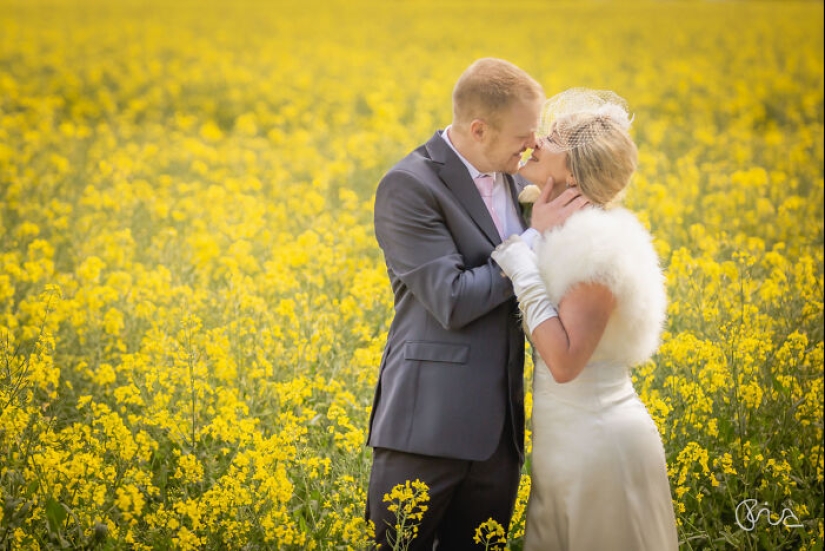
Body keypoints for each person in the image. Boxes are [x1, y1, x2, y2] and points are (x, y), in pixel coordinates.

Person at [366, 59, 586, 550]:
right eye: (523, 136)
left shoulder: (513, 176)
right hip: (426, 430)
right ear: (479, 128)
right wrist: (534, 239)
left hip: (498, 438)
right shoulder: (409, 185)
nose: (532, 145)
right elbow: (451, 299)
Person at [491, 88, 679, 550]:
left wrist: (521, 263)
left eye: (551, 137)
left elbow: (565, 360)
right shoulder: (561, 228)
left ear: (572, 170)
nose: (536, 141)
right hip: (566, 447)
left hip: (599, 448)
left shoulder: (596, 243)